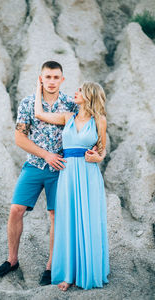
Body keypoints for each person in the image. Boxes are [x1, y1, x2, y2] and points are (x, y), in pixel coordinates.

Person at [0, 61, 80, 285]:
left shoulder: (72, 105)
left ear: (62, 79)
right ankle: (12, 260)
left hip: (61, 167)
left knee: (55, 216)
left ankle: (51, 266)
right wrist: (45, 154)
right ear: (40, 78)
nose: (52, 81)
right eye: (48, 77)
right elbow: (19, 138)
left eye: (56, 77)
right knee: (16, 210)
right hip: (34, 164)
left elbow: (82, 131)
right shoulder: (28, 103)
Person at [35, 79, 109, 291]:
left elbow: (102, 150)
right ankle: (67, 274)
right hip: (67, 175)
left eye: (80, 90)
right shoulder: (68, 117)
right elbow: (39, 113)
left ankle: (87, 271)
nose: (75, 93)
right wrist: (38, 88)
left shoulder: (99, 120)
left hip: (88, 175)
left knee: (88, 220)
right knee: (67, 221)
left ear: (89, 95)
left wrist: (98, 157)